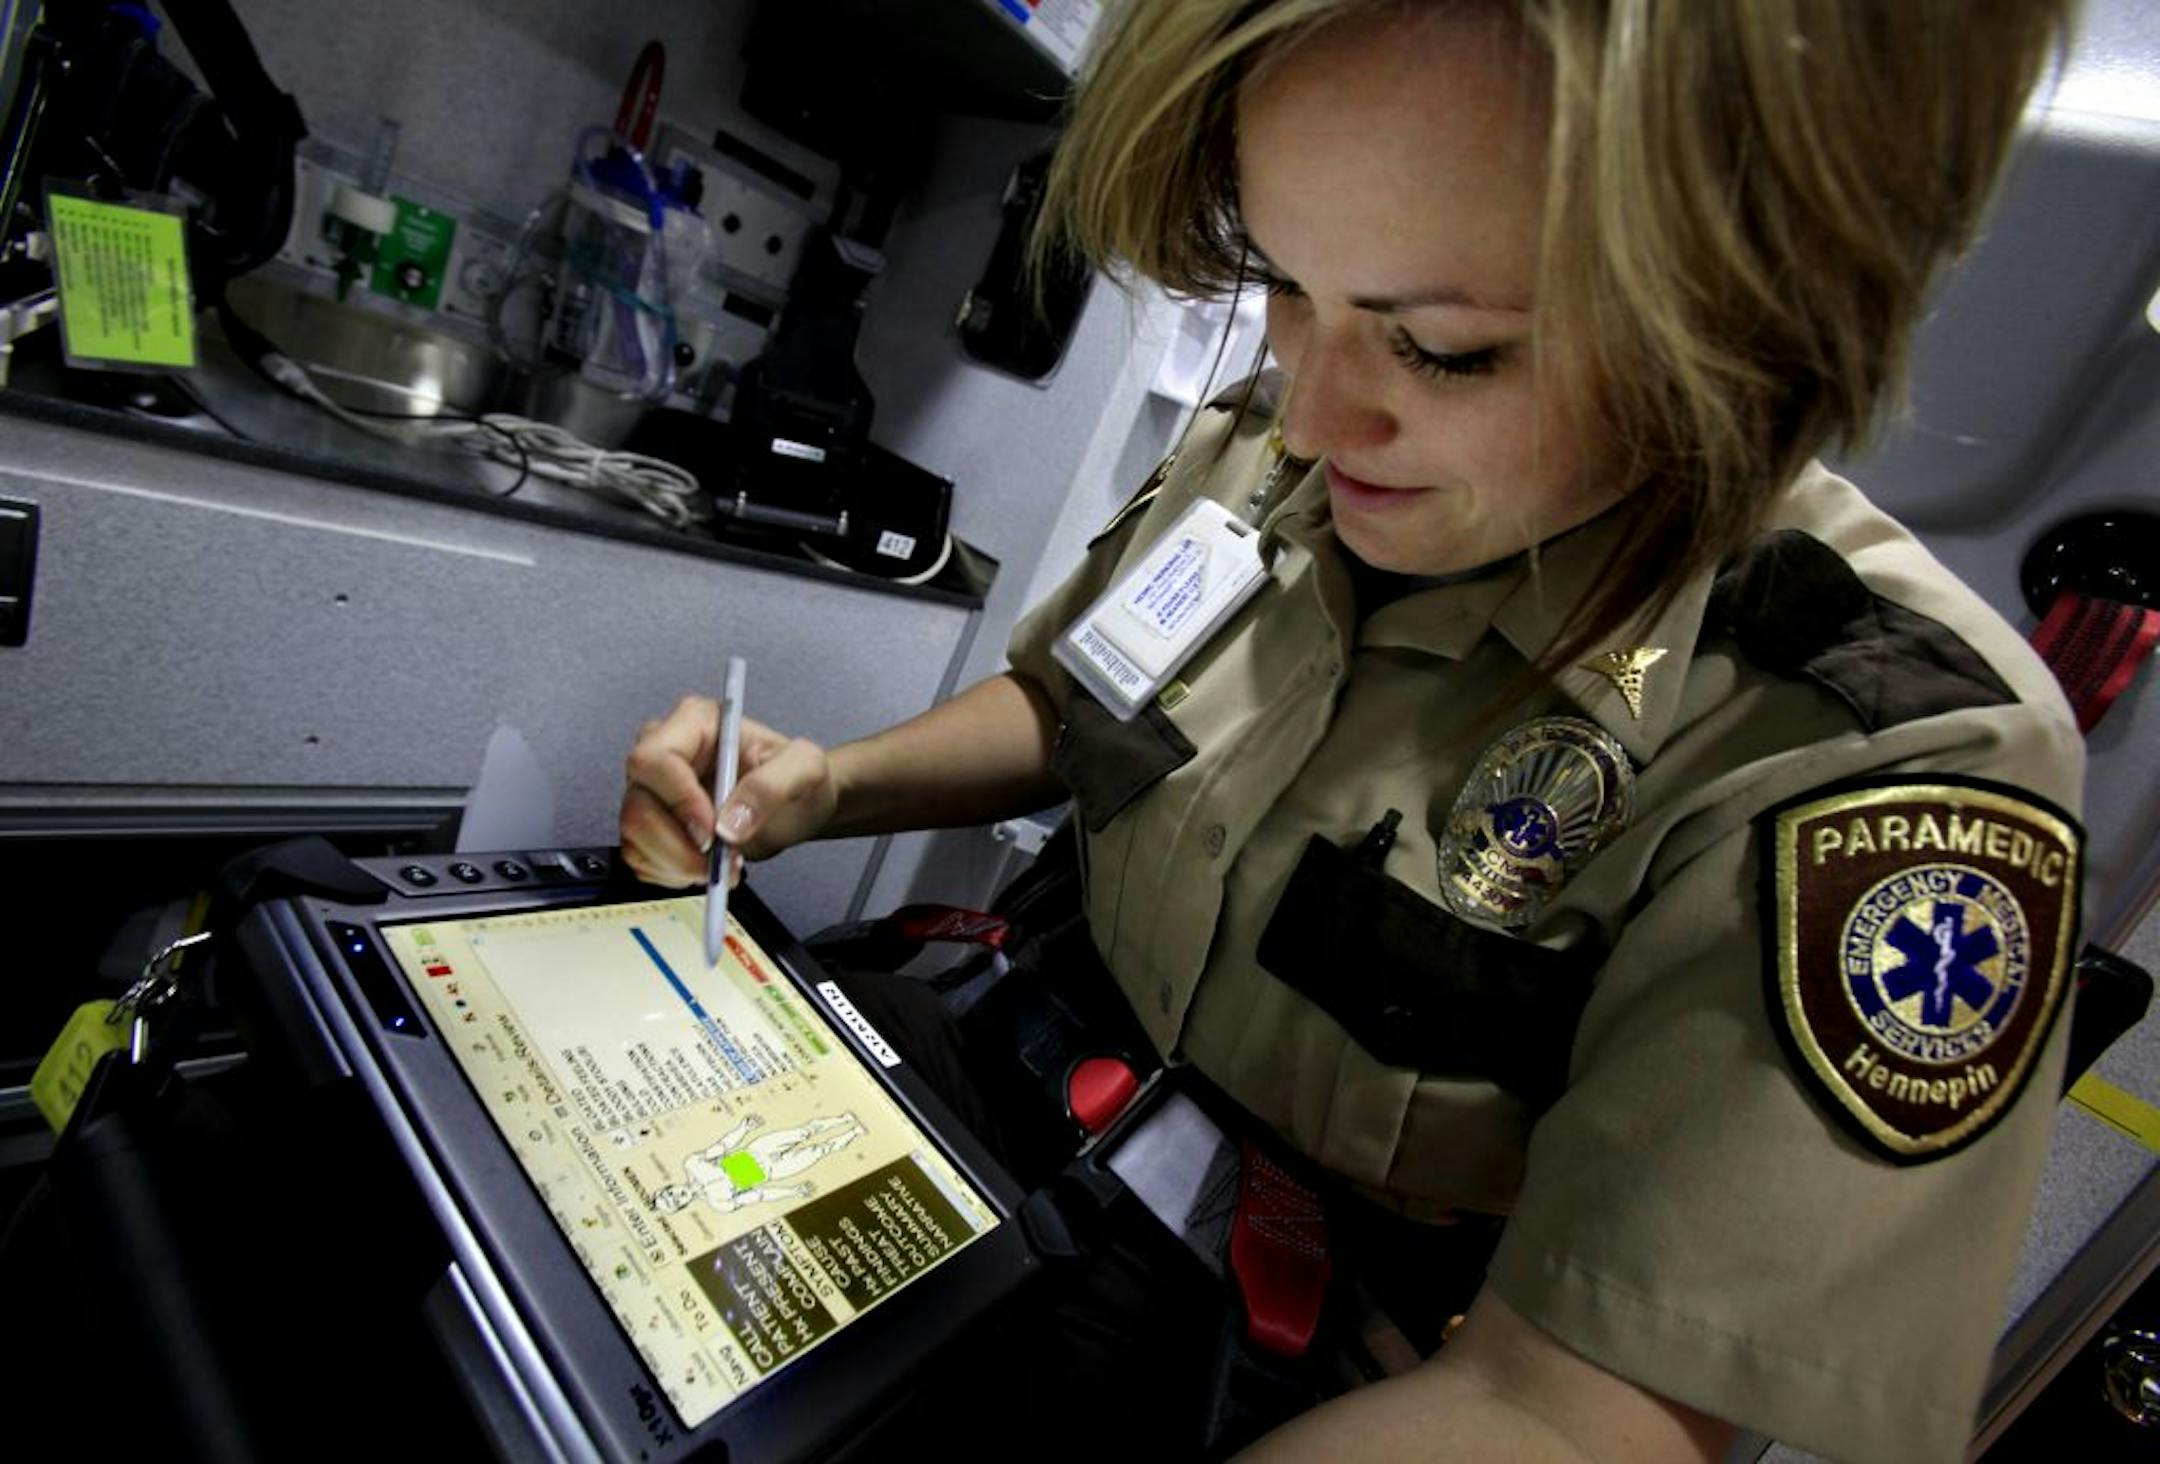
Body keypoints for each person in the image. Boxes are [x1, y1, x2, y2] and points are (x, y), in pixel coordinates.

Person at [620, 1, 2085, 1458]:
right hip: (968, 1072)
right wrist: (832, 786)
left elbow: (1562, 1413)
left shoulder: (1885, 742)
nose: (1312, 419)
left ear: (1748, 333)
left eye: (1446, 352)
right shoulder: (1286, 433)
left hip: (1243, 1322)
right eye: (1284, 280)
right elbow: (1081, 706)